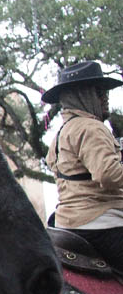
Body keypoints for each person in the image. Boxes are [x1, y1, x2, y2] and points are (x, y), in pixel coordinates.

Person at [44, 61, 123, 270]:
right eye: (99, 92)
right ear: (82, 95)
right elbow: (108, 175)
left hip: (68, 223)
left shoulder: (61, 133)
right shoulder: (91, 128)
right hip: (102, 223)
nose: (105, 98)